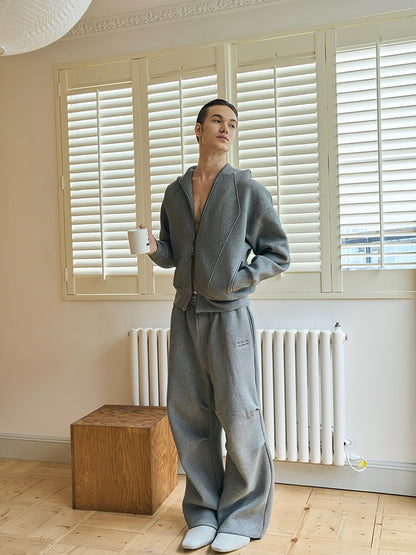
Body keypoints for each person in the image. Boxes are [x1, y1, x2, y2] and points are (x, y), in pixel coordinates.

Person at [144, 99, 290, 553]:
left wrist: (236, 281)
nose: (226, 129)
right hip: (185, 314)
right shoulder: (175, 192)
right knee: (189, 415)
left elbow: (277, 254)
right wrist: (152, 247)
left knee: (239, 414)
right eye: (217, 121)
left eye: (232, 124)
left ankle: (243, 516)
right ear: (198, 129)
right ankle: (204, 512)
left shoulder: (247, 190)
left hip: (229, 318)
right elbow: (173, 253)